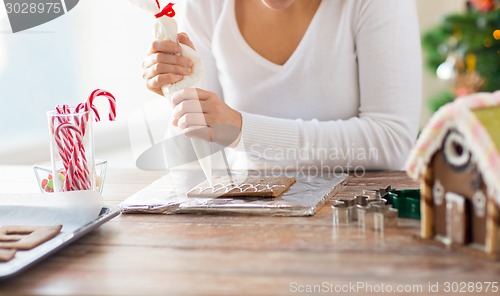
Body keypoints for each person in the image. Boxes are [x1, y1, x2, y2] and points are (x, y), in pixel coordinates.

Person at [141, 0, 422, 172]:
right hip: (246, 222)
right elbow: (188, 158)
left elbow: (392, 140)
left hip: (355, 218)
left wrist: (242, 130)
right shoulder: (206, 6)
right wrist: (178, 94)